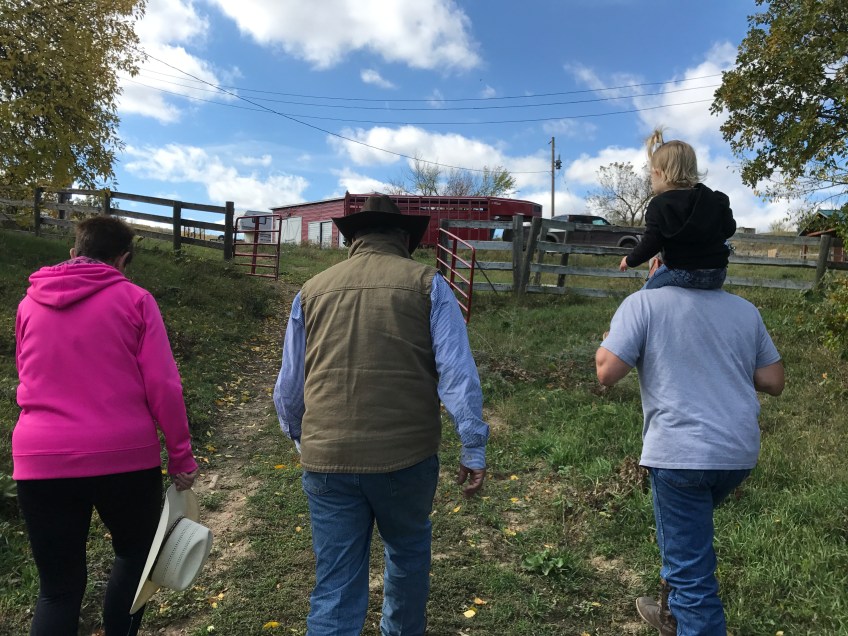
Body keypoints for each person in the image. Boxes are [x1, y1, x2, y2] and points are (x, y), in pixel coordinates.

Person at [273, 194, 489, 636]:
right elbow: (457, 374)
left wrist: (301, 437)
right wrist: (472, 445)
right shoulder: (429, 285)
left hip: (326, 459)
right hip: (405, 457)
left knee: (335, 581)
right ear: (403, 239)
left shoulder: (310, 291)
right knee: (407, 554)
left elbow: (289, 387)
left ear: (355, 239)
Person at [12, 216, 198, 636]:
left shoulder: (28, 304)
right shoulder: (135, 300)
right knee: (135, 557)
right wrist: (181, 456)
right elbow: (164, 385)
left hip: (39, 459)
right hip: (124, 458)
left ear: (73, 252)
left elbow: (27, 371)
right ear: (123, 259)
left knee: (57, 589)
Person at [595, 284, 784, 635]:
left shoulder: (643, 304)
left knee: (692, 573)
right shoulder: (745, 310)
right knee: (686, 538)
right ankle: (670, 613)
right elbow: (773, 380)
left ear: (661, 260)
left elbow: (606, 371)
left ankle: (684, 616)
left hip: (680, 454)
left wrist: (612, 341)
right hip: (736, 453)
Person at [619, 128, 737, 290]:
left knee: (645, 293)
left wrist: (629, 260)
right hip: (717, 274)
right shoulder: (715, 198)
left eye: (651, 176)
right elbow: (729, 230)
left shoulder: (659, 205)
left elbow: (651, 243)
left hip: (683, 273)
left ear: (659, 173)